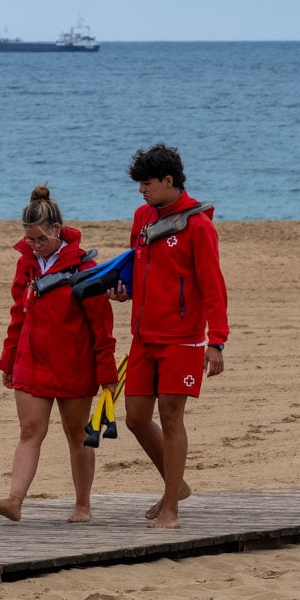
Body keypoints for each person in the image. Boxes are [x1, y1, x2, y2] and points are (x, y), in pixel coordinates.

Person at [109, 143, 229, 529]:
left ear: (168, 180)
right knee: (135, 417)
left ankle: (171, 509)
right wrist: (123, 290)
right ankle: (176, 486)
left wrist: (217, 341)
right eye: (138, 184)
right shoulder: (143, 216)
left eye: (147, 183)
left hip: (184, 339)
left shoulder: (199, 226)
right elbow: (134, 268)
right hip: (143, 337)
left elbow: (214, 287)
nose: (141, 190)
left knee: (171, 416)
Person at [0, 185, 118, 524]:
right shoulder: (26, 265)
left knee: (77, 435)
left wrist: (107, 375)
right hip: (31, 361)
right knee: (30, 431)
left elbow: (102, 328)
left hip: (75, 365)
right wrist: (8, 359)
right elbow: (18, 314)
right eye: (29, 239)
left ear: (58, 231)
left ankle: (83, 504)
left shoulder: (86, 267)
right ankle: (14, 500)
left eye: (40, 239)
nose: (33, 245)